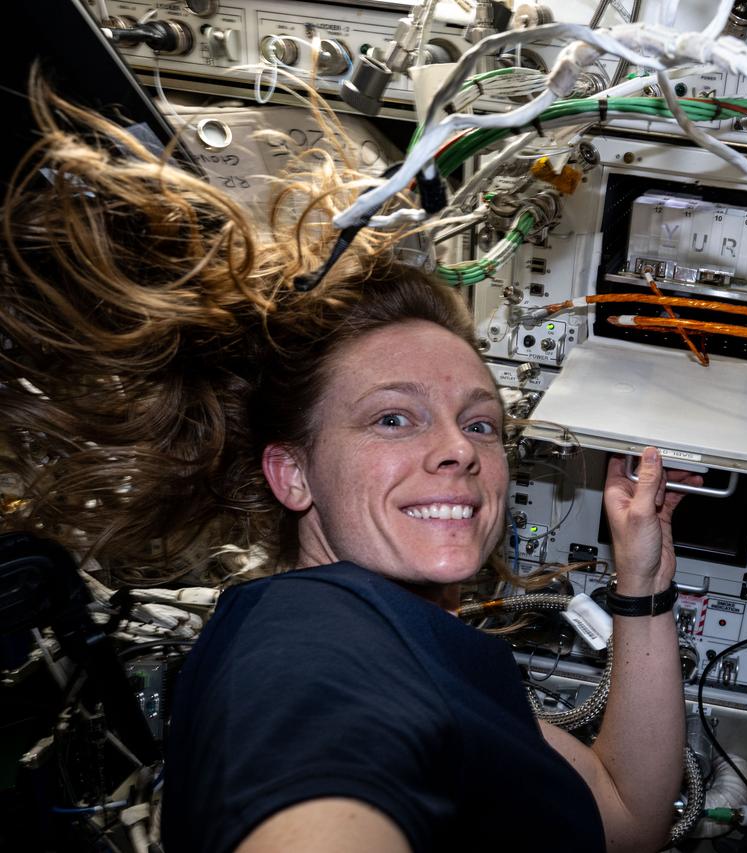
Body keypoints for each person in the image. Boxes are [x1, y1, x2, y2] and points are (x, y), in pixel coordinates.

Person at [0, 79, 700, 852]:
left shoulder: (421, 653)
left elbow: (627, 810)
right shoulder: (310, 641)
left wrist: (643, 581)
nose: (459, 449)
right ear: (292, 474)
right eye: (392, 418)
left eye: (480, 423)